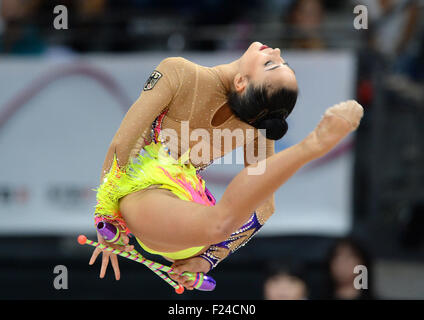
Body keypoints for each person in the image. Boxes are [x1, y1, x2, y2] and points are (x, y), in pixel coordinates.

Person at [88, 41, 364, 290]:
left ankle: (309, 148)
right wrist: (107, 215)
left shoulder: (183, 75)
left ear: (242, 82)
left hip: (187, 209)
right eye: (281, 62)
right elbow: (123, 145)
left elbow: (265, 204)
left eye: (271, 64)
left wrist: (208, 259)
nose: (277, 51)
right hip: (156, 198)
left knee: (222, 221)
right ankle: (308, 149)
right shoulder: (181, 76)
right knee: (221, 222)